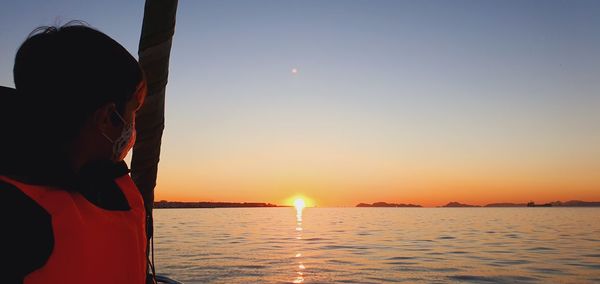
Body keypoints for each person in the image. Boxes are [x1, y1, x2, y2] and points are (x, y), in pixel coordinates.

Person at [0, 23, 148, 284]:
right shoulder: (15, 217)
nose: (134, 124)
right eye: (133, 111)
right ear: (106, 117)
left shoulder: (108, 185)